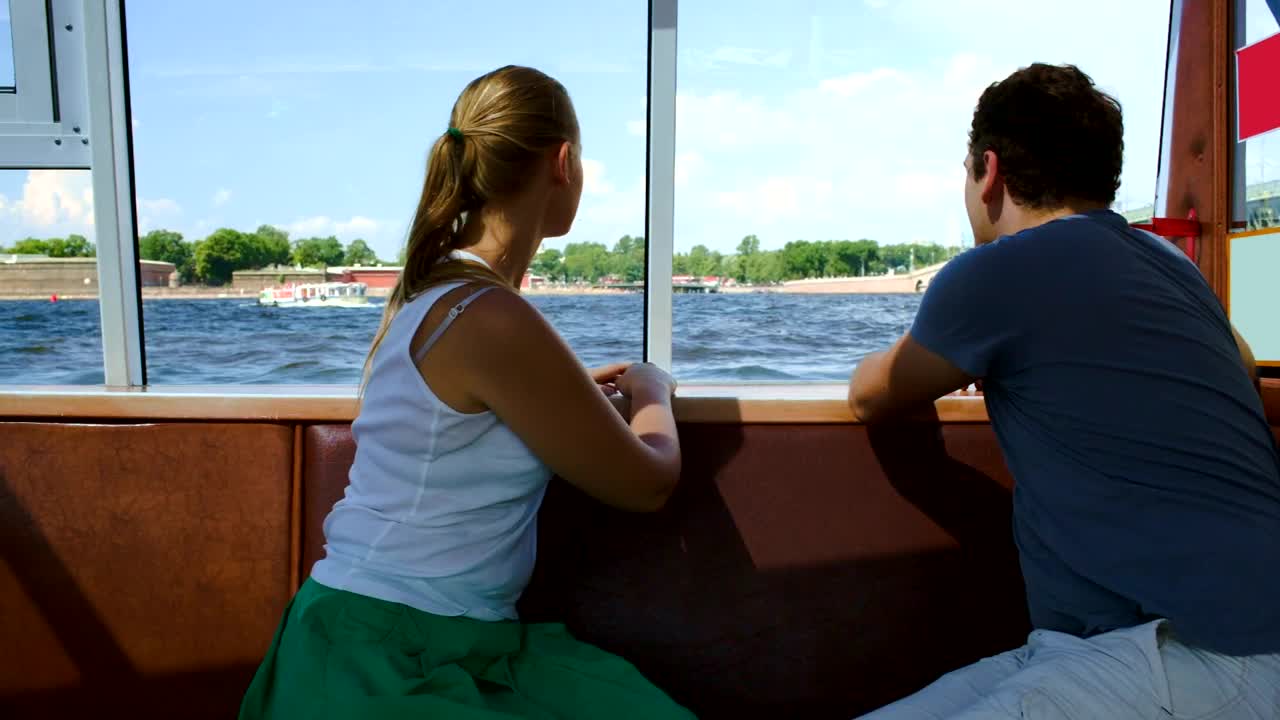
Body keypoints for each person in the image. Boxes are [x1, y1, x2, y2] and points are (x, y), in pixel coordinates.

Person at [240, 65, 694, 720]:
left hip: (420, 638)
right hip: (388, 656)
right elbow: (647, 483)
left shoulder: (444, 296)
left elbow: (470, 417)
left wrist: (573, 398)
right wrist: (653, 389)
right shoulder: (487, 316)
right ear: (563, 162)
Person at [849, 63, 1280, 718]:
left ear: (988, 171)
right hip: (1176, 646)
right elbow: (1240, 370)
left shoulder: (995, 272)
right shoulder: (1174, 268)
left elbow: (871, 395)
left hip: (1187, 652)